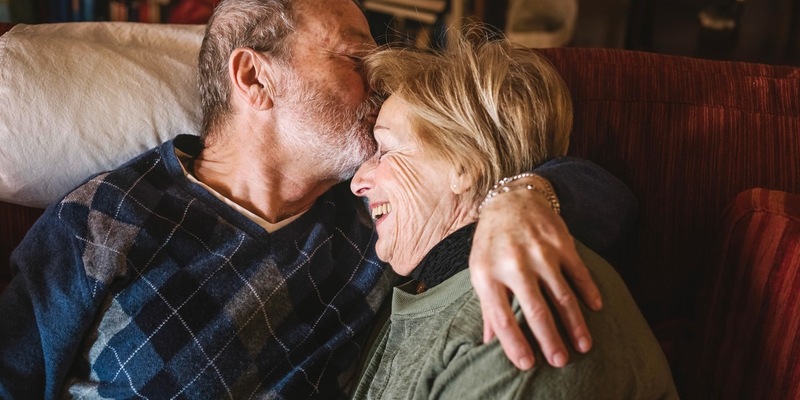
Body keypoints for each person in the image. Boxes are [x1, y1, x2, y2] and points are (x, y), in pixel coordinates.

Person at [0, 0, 636, 398]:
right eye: (354, 58)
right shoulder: (104, 219)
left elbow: (606, 195)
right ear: (255, 77)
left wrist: (521, 198)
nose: (376, 79)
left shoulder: (379, 211)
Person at [350, 30, 677, 399]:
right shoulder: (428, 282)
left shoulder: (518, 313)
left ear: (464, 164)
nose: (358, 182)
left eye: (385, 149)